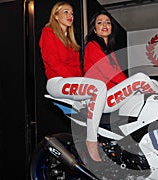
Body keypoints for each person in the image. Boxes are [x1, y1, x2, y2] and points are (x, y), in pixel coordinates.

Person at [39, 1, 107, 165]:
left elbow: (77, 68)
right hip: (57, 82)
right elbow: (54, 63)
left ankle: (95, 140)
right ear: (56, 16)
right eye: (66, 12)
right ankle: (91, 141)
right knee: (98, 87)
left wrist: (84, 82)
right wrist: (83, 82)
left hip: (70, 83)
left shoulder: (71, 41)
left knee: (98, 96)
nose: (71, 16)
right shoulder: (48, 32)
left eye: (72, 13)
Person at [82, 10, 158, 112]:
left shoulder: (109, 51)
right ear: (94, 30)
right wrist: (131, 85)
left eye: (108, 22)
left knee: (152, 82)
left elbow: (117, 74)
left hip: (112, 94)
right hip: (101, 99)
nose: (104, 25)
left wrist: (132, 87)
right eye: (99, 22)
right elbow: (110, 73)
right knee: (141, 78)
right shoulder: (92, 46)